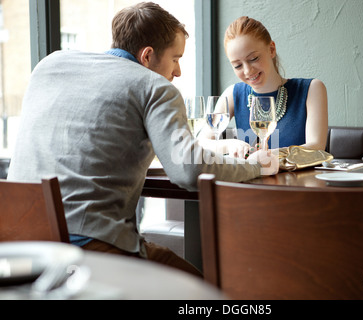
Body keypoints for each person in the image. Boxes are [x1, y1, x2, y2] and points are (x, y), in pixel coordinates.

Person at [7, 3, 277, 277]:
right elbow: (188, 170)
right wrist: (255, 166)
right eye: (175, 58)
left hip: (18, 240)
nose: (179, 72)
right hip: (87, 246)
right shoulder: (155, 86)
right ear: (147, 56)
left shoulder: (49, 65)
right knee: (201, 288)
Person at [200, 16, 328, 159]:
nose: (247, 71)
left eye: (253, 58)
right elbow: (201, 143)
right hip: (250, 181)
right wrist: (229, 145)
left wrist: (268, 155)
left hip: (297, 181)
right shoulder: (232, 94)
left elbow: (316, 148)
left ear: (271, 49)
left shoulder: (312, 89)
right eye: (238, 65)